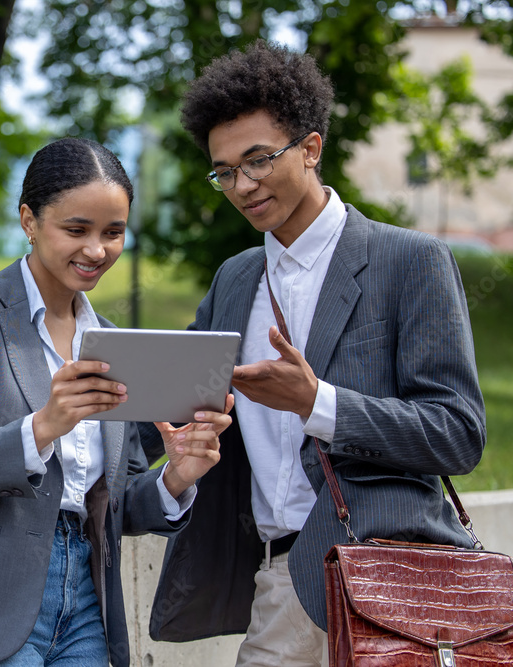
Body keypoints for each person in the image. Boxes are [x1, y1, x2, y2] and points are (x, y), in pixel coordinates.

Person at [145, 40, 486, 666]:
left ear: (310, 148)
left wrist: (319, 403)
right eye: (224, 171)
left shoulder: (410, 262)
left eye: (258, 160)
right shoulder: (236, 279)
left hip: (393, 578)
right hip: (280, 582)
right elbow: (175, 406)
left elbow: (458, 434)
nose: (242, 186)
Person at [0, 137, 234, 667]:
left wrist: (176, 478)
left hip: (86, 602)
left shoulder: (114, 343)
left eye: (113, 233)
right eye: (76, 230)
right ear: (29, 220)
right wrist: (42, 426)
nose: (97, 250)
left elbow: (111, 504)